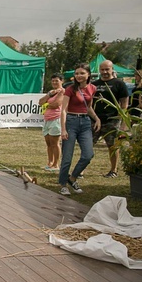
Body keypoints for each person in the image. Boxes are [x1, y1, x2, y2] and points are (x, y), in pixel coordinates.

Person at [58, 63, 101, 196]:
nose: (79, 76)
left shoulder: (92, 88)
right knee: (67, 157)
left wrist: (97, 118)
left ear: (88, 74)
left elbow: (88, 107)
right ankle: (63, 184)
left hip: (85, 123)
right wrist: (63, 129)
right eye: (76, 73)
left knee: (88, 155)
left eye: (82, 73)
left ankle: (73, 178)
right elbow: (63, 110)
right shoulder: (70, 89)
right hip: (71, 121)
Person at [92, 59, 130, 177]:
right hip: (95, 120)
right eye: (102, 69)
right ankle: (81, 171)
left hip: (112, 120)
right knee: (88, 146)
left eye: (107, 69)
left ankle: (113, 170)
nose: (104, 72)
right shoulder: (94, 84)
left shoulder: (119, 84)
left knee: (112, 146)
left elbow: (124, 104)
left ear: (112, 69)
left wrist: (121, 121)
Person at [37, 73, 65, 172]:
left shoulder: (62, 92)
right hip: (47, 119)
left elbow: (56, 104)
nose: (54, 82)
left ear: (62, 81)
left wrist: (46, 104)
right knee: (48, 143)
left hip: (56, 119)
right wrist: (49, 95)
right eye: (53, 81)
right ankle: (49, 162)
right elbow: (40, 102)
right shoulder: (51, 92)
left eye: (56, 80)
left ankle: (56, 164)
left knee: (55, 143)